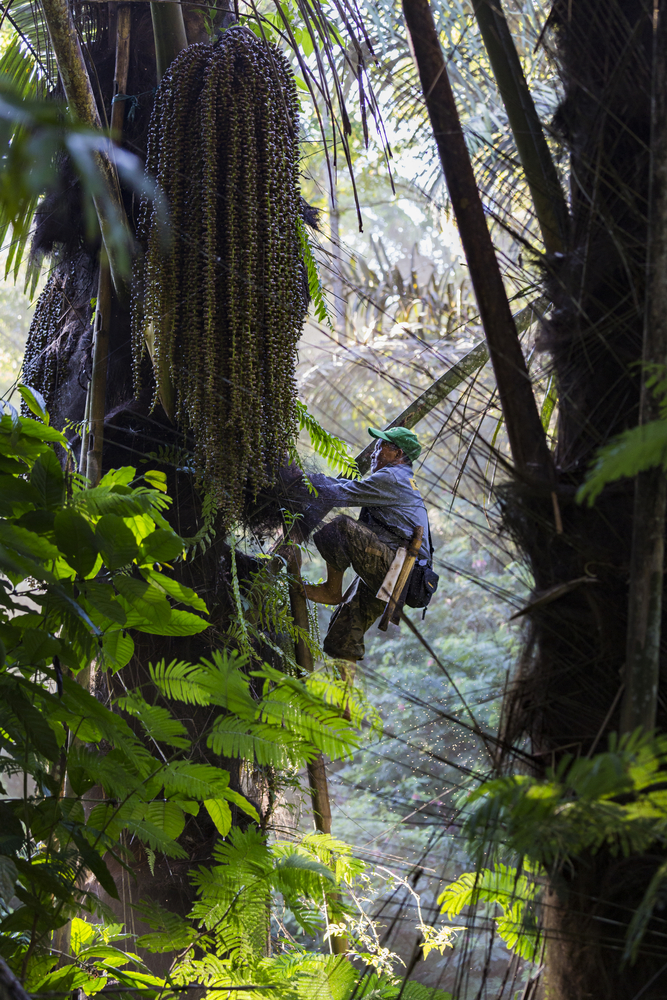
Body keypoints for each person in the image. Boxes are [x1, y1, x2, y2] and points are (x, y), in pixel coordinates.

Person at [296, 426, 432, 663]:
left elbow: (342, 493)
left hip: (394, 568)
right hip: (398, 576)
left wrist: (303, 483)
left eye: (380, 447)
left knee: (340, 527)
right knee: (343, 638)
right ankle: (346, 700)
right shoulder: (404, 479)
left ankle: (331, 589)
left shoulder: (392, 477)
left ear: (397, 454)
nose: (373, 454)